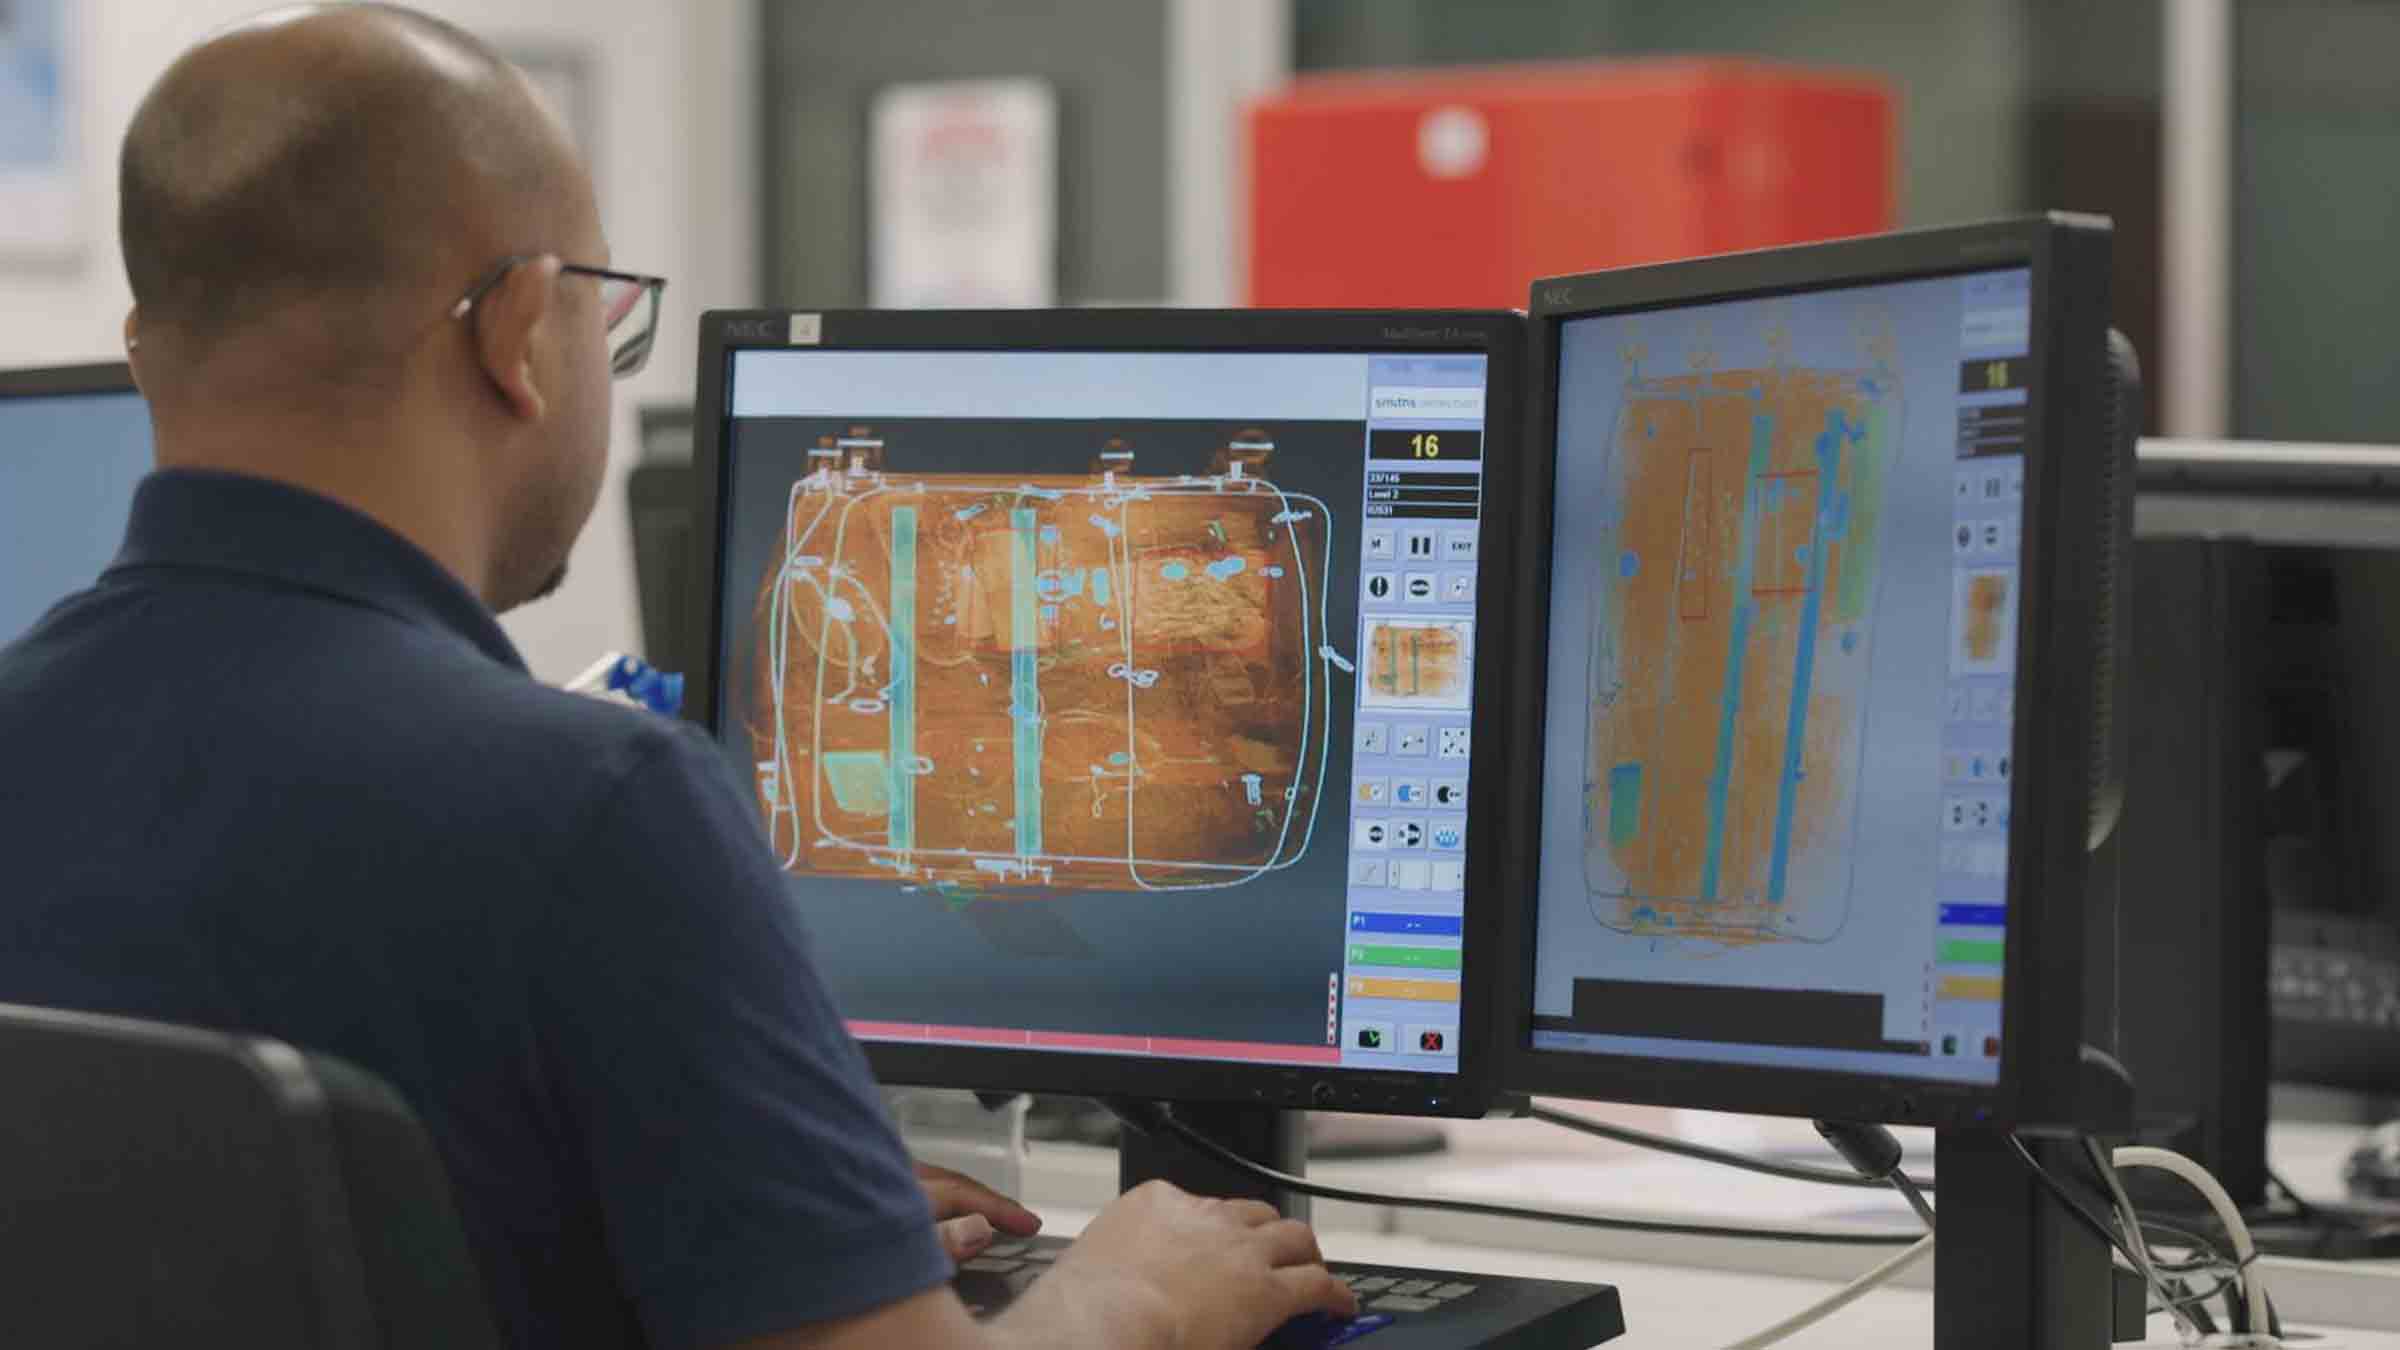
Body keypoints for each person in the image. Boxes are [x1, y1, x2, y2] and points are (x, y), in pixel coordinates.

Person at [0, 6, 1355, 1349]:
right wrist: (1130, 1296)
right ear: (517, 336)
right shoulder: (593, 810)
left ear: (146, 353)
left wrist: (792, 1215)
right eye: (604, 315)